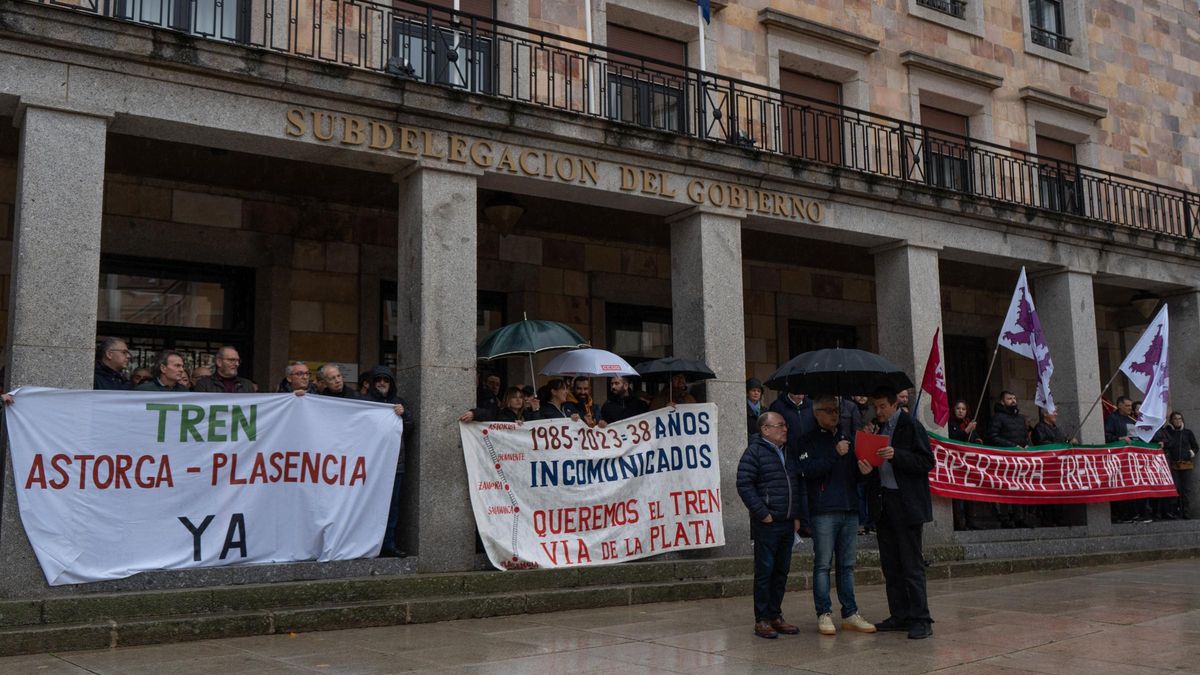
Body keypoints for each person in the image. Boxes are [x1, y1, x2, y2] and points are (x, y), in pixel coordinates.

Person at [859, 388, 935, 640]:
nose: (878, 411)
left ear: (894, 405)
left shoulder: (910, 426)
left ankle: (921, 618)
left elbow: (926, 462)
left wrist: (897, 455)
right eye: (875, 407)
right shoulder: (877, 430)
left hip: (907, 504)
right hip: (884, 503)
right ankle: (899, 614)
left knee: (911, 564)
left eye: (882, 406)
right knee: (890, 564)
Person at [799, 395, 876, 636]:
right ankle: (824, 613)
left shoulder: (847, 438)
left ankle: (850, 612)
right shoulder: (807, 440)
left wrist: (865, 472)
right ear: (817, 413)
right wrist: (834, 453)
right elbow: (808, 471)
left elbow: (854, 476)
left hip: (849, 508)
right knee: (823, 564)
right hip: (824, 510)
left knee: (848, 565)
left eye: (837, 410)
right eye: (829, 410)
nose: (835, 415)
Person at [736, 411, 802, 640]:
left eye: (785, 425)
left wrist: (795, 515)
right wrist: (762, 513)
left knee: (781, 572)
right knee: (765, 571)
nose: (785, 429)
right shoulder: (754, 451)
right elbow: (744, 483)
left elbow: (793, 484)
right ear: (765, 429)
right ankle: (762, 619)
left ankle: (775, 615)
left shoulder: (786, 452)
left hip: (786, 521)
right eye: (780, 425)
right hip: (768, 523)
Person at [365, 365, 413, 558]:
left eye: (386, 380)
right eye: (378, 380)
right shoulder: (365, 402)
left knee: (392, 507)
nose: (382, 383)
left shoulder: (399, 403)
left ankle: (389, 544)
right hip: (370, 465)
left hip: (394, 464)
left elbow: (410, 429)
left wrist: (405, 415)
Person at [1106, 396, 1151, 523]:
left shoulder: (1132, 419)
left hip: (1134, 458)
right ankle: (1123, 514)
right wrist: (1119, 438)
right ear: (1119, 405)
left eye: (1130, 406)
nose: (1129, 408)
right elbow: (1106, 435)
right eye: (1127, 406)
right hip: (1120, 458)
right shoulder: (1112, 419)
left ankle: (1138, 513)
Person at [1156, 412, 1197, 520]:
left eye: (1179, 418)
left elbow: (1195, 446)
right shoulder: (1169, 432)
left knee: (1186, 490)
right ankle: (1175, 512)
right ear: (1171, 420)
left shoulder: (1188, 433)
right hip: (1173, 465)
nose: (1178, 420)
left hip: (1186, 465)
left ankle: (1186, 513)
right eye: (1175, 419)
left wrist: (1191, 453)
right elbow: (1166, 443)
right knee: (1175, 489)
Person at [770, 391, 815, 457]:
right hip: (788, 452)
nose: (800, 395)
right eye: (796, 391)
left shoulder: (811, 405)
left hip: (810, 451)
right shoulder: (778, 406)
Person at [460, 386, 526, 423]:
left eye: (520, 397)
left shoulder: (526, 414)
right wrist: (474, 414)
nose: (518, 400)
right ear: (508, 399)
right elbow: (488, 414)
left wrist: (535, 410)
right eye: (514, 397)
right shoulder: (500, 413)